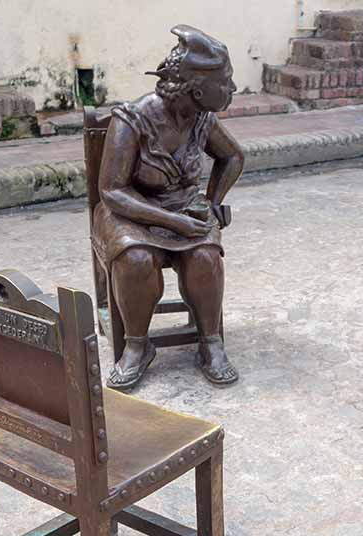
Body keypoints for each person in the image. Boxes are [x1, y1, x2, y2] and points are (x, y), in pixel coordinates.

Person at [92, 25, 244, 389]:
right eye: (225, 82)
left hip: (183, 209)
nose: (232, 90)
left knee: (205, 257)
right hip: (129, 211)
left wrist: (212, 201)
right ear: (196, 88)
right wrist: (171, 221)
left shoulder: (202, 119)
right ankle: (137, 346)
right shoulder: (133, 120)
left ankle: (210, 341)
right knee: (137, 260)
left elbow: (233, 157)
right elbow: (112, 191)